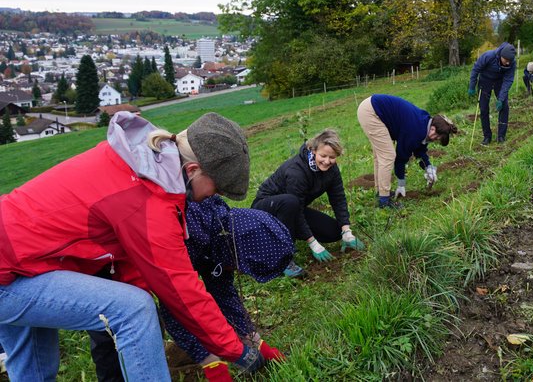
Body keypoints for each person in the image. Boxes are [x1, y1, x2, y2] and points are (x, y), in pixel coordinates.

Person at [0, 111, 264, 381]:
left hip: (19, 257)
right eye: (217, 188)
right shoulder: (146, 199)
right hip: (9, 270)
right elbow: (181, 289)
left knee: (35, 369)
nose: (214, 196)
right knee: (134, 310)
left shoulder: (138, 163)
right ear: (192, 170)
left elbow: (130, 261)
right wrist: (237, 350)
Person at [90, 195, 294, 382]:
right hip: (107, 259)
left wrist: (254, 340)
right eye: (243, 267)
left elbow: (224, 294)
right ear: (239, 250)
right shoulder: (189, 234)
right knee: (115, 332)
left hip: (146, 267)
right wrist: (210, 360)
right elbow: (175, 305)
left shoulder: (223, 240)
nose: (241, 272)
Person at [251, 129, 364, 278]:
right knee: (290, 202)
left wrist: (346, 231)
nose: (327, 161)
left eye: (332, 157)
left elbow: (338, 197)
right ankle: (283, 260)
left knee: (333, 231)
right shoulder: (297, 171)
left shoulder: (331, 169)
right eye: (323, 156)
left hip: (292, 208)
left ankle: (289, 231)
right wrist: (313, 243)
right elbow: (295, 208)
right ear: (313, 150)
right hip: (265, 210)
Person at [356, 94, 458, 208]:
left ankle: (380, 192)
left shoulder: (425, 123)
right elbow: (401, 158)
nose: (435, 140)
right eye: (437, 137)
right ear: (433, 129)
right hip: (372, 112)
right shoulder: (416, 130)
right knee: (388, 155)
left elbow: (420, 150)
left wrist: (428, 167)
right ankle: (384, 201)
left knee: (381, 156)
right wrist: (401, 184)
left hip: (373, 108)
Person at [468, 42, 517, 144]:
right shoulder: (488, 56)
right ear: (501, 56)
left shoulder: (512, 63)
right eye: (506, 60)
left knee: (504, 106)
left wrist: (501, 99)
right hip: (485, 82)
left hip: (500, 82)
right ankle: (487, 136)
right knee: (484, 108)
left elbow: (508, 80)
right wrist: (472, 86)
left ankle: (501, 136)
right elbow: (475, 69)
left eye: (510, 61)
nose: (508, 63)